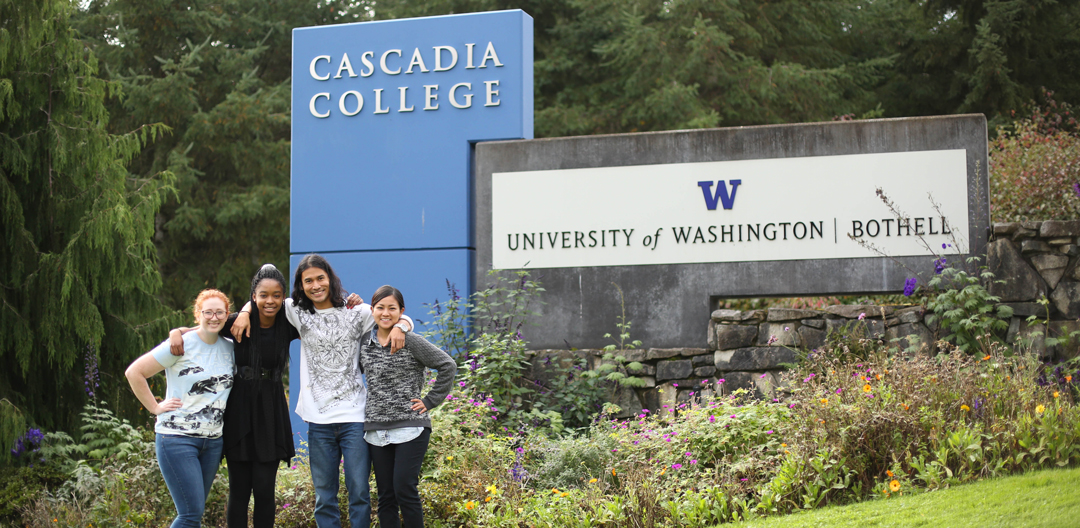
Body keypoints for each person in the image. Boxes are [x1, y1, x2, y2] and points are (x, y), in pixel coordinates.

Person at [231, 254, 412, 528]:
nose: (315, 285)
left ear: (330, 278)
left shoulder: (357, 311)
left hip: (354, 418)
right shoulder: (295, 310)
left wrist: (401, 327)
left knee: (359, 493)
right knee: (325, 498)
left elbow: (396, 314)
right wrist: (245, 311)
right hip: (318, 421)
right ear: (301, 286)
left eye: (320, 278)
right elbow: (264, 297)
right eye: (308, 281)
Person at [168, 264, 297, 527]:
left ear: (283, 297)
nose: (269, 301)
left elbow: (319, 310)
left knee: (264, 490)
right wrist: (175, 333)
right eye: (263, 295)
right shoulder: (237, 322)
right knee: (239, 491)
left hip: (271, 412)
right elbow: (198, 330)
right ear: (254, 295)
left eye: (276, 295)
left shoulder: (288, 323)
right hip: (240, 411)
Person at [125, 289, 235, 528]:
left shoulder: (230, 347)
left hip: (213, 442)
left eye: (219, 312)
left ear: (227, 315)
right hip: (177, 438)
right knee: (190, 514)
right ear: (198, 314)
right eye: (208, 312)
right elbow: (134, 372)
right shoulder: (180, 345)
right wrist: (155, 407)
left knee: (194, 513)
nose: (214, 317)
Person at [360, 285, 456, 528]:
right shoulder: (364, 342)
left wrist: (429, 401)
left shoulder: (410, 340)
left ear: (401, 311)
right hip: (376, 429)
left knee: (404, 488)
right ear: (372, 310)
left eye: (392, 308)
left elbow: (447, 365)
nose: (385, 313)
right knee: (386, 496)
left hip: (410, 427)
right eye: (380, 307)